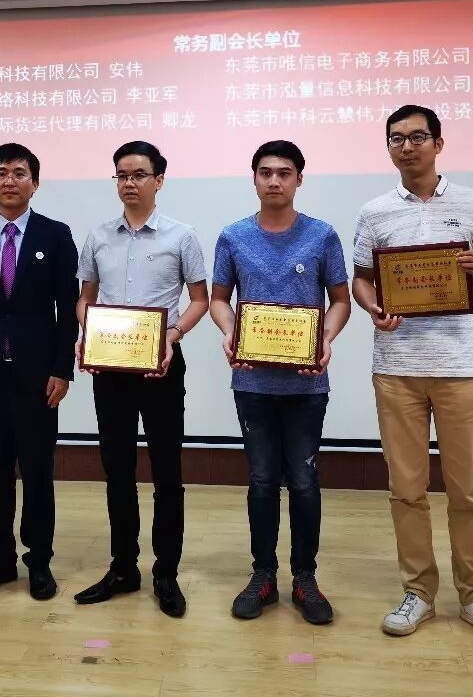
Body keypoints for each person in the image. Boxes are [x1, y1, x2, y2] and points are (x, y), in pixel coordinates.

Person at [352, 104, 473, 646]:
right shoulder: (375, 212)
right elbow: (362, 279)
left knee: (468, 490)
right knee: (406, 490)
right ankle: (418, 592)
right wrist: (374, 308)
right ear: (388, 148)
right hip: (396, 368)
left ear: (438, 144)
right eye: (396, 138)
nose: (407, 146)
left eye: (417, 137)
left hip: (460, 367)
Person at [209, 140, 351, 625]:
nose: (274, 180)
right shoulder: (233, 236)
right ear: (254, 178)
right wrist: (230, 331)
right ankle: (263, 575)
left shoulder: (322, 235)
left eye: (284, 173)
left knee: (305, 481)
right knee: (262, 480)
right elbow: (219, 298)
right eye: (265, 172)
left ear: (299, 179)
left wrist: (325, 339)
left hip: (307, 384)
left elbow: (340, 300)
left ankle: (305, 578)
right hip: (252, 382)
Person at [74, 141, 208, 618]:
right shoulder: (98, 237)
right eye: (121, 175)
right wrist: (87, 332)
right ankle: (123, 568)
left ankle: (165, 573)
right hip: (111, 368)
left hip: (161, 366)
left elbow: (199, 299)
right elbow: (86, 297)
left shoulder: (181, 236)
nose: (129, 183)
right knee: (117, 470)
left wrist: (172, 335)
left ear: (159, 180)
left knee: (167, 473)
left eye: (138, 175)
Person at [0, 143, 79, 601]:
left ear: (34, 183)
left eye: (19, 173)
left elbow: (68, 309)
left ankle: (38, 561)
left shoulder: (56, 234)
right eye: (1, 172)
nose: (10, 180)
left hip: (37, 377)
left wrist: (62, 368)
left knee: (38, 472)